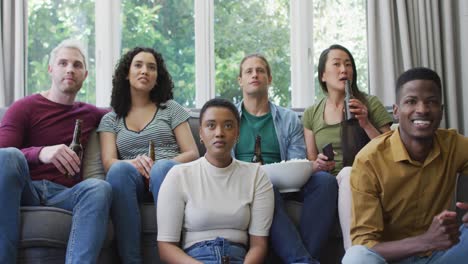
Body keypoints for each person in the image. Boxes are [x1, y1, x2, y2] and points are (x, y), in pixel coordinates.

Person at [0, 39, 112, 264]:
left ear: (85, 74)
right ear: (51, 69)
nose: (70, 69)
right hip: (26, 190)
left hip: (66, 194)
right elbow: (1, 155)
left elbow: (126, 114)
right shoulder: (24, 107)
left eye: (77, 65)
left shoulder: (91, 114)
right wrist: (41, 152)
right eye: (63, 63)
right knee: (9, 156)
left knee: (99, 188)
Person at [342, 67, 468, 263]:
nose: (422, 109)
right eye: (411, 101)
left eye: (431, 102)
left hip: (442, 256)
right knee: (356, 257)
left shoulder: (454, 144)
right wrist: (426, 241)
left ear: (441, 111)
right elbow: (365, 244)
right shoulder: (369, 161)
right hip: (392, 259)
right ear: (396, 111)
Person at [97, 47, 199, 263]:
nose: (145, 71)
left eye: (151, 68)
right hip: (131, 181)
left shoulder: (170, 109)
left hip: (168, 176)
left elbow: (192, 153)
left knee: (161, 168)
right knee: (119, 170)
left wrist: (161, 164)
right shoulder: (110, 119)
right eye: (138, 65)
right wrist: (133, 163)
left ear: (157, 78)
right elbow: (109, 163)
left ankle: (173, 255)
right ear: (126, 73)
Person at [234, 53, 338, 263]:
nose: (255, 75)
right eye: (249, 71)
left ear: (269, 79)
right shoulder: (229, 119)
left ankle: (303, 258)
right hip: (244, 186)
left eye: (260, 70)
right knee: (264, 187)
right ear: (240, 80)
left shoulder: (289, 119)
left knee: (326, 181)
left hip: (286, 186)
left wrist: (312, 166)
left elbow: (296, 163)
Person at [157, 98, 274, 263]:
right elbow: (166, 247)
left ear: (238, 133)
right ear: (201, 134)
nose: (219, 132)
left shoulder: (257, 175)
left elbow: (259, 245)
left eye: (228, 125)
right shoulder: (178, 175)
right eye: (211, 125)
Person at [302, 44, 393, 249]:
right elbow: (310, 159)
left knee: (349, 173)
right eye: (337, 64)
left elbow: (392, 150)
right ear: (323, 75)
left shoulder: (369, 103)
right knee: (328, 179)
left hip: (365, 177)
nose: (344, 70)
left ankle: (352, 255)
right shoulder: (311, 114)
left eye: (348, 65)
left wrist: (366, 122)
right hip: (327, 183)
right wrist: (317, 163)